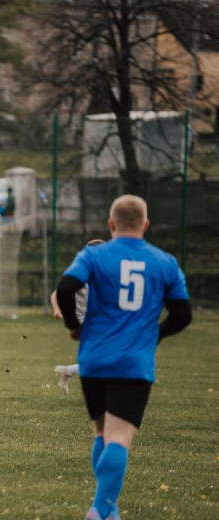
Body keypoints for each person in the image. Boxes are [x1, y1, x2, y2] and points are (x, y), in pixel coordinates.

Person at [56, 195, 192, 520]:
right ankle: (99, 509)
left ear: (111, 224)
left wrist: (74, 327)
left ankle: (109, 508)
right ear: (146, 225)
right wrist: (154, 334)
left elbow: (65, 287)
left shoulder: (94, 255)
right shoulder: (165, 261)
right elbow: (183, 314)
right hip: (133, 362)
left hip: (94, 359)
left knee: (102, 433)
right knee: (119, 438)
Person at [51, 239, 105, 394]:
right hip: (83, 322)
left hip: (99, 321)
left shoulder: (106, 276)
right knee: (105, 357)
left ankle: (67, 371)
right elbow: (56, 294)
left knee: (102, 358)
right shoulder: (81, 275)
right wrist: (57, 310)